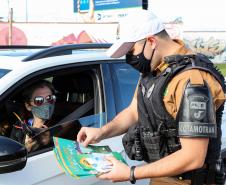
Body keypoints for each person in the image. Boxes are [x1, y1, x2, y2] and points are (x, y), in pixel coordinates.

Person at [77, 10, 226, 184]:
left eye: (131, 50)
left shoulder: (191, 80)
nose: (130, 58)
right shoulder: (154, 70)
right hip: (162, 176)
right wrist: (102, 132)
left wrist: (130, 173)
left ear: (151, 41)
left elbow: (193, 157)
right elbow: (134, 111)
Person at [10, 80, 56, 152]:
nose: (46, 103)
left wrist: (48, 143)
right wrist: (26, 149)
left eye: (50, 98)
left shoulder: (62, 125)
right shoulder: (18, 127)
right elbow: (11, 155)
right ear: (28, 106)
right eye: (39, 100)